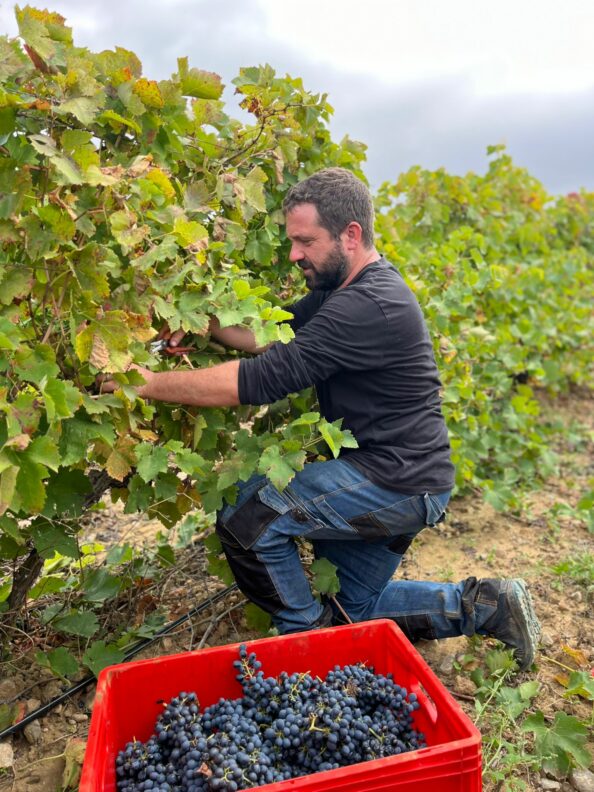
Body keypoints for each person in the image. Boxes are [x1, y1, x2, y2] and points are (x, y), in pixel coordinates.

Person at [103, 167, 541, 670]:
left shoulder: (368, 305)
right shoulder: (346, 291)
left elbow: (256, 381)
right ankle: (487, 605)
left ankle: (306, 650)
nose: (294, 254)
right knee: (351, 613)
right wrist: (200, 322)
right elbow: (273, 331)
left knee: (250, 516)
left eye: (305, 241)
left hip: (395, 483)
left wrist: (146, 382)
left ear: (349, 235)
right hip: (404, 478)